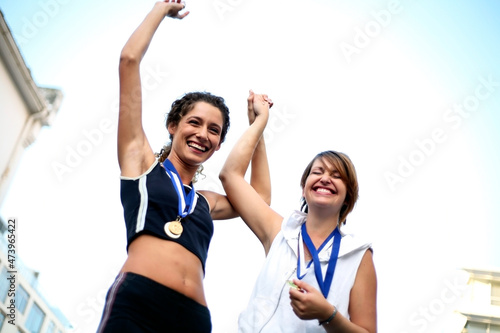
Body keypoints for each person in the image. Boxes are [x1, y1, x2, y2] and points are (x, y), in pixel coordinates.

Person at [96, 1, 271, 332]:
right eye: (195, 122)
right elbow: (128, 61)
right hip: (137, 303)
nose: (203, 134)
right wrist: (162, 10)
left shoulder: (206, 201)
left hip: (192, 318)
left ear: (219, 145)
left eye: (214, 130)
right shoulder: (141, 164)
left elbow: (259, 200)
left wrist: (257, 128)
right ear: (173, 125)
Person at [219, 96, 377, 332]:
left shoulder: (358, 255)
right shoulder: (279, 232)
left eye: (336, 176)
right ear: (304, 187)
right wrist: (259, 125)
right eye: (318, 171)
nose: (325, 178)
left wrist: (328, 314)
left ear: (348, 196)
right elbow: (230, 175)